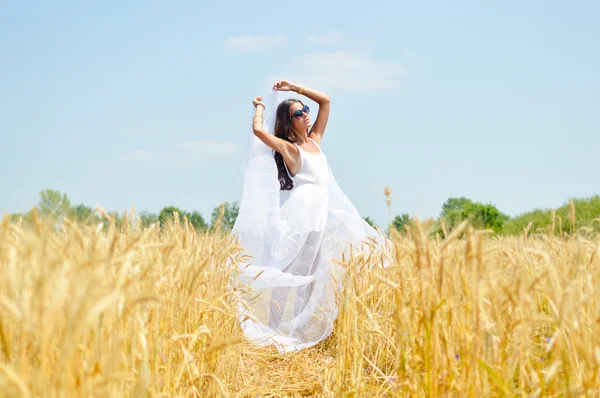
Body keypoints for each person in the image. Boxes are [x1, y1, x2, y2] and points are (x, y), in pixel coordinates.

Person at [232, 80, 390, 353]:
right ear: (288, 122)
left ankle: (301, 333)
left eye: (304, 109)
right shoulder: (290, 148)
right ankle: (272, 331)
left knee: (314, 277)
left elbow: (326, 101)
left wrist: (295, 88)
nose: (305, 113)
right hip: (300, 217)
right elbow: (258, 130)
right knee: (288, 275)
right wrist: (259, 106)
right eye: (298, 113)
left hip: (320, 217)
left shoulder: (315, 141)